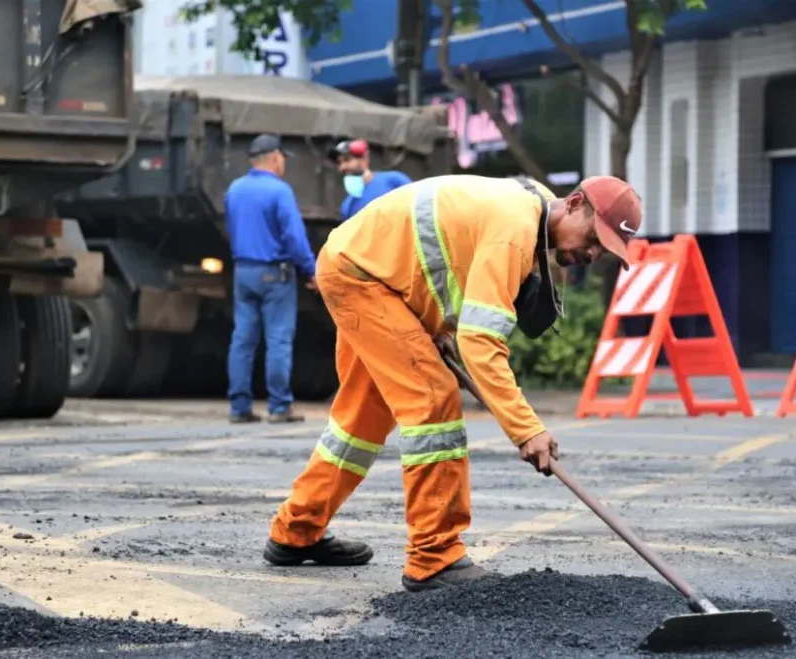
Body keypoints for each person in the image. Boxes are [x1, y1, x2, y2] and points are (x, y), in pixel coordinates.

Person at [262, 173, 643, 592]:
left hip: (371, 272)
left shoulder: (532, 213)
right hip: (363, 276)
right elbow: (481, 342)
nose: (592, 253)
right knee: (432, 400)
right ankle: (435, 556)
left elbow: (448, 264)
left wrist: (433, 329)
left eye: (602, 250)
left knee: (363, 418)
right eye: (593, 238)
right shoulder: (515, 230)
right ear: (573, 204)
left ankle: (296, 531)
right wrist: (526, 429)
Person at [224, 134, 316, 425]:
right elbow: (294, 237)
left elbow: (230, 227)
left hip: (243, 271)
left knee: (242, 340)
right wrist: (311, 270)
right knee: (278, 340)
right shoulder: (280, 192)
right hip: (275, 274)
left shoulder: (234, 189)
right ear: (275, 158)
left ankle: (239, 408)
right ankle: (279, 407)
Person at [329, 139, 412, 221]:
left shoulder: (394, 181)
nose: (342, 167)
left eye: (347, 160)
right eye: (339, 163)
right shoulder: (347, 206)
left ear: (364, 159)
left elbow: (419, 209)